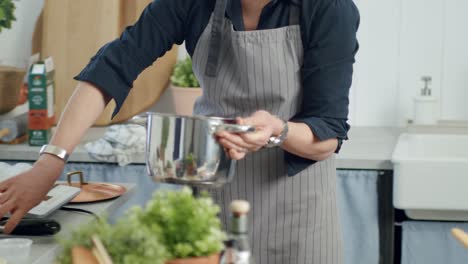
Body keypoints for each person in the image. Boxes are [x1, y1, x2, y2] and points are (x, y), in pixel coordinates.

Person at [1, 0, 359, 263]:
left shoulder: (329, 8)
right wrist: (50, 163)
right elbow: (112, 66)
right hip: (210, 203)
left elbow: (326, 134)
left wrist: (277, 130)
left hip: (297, 208)